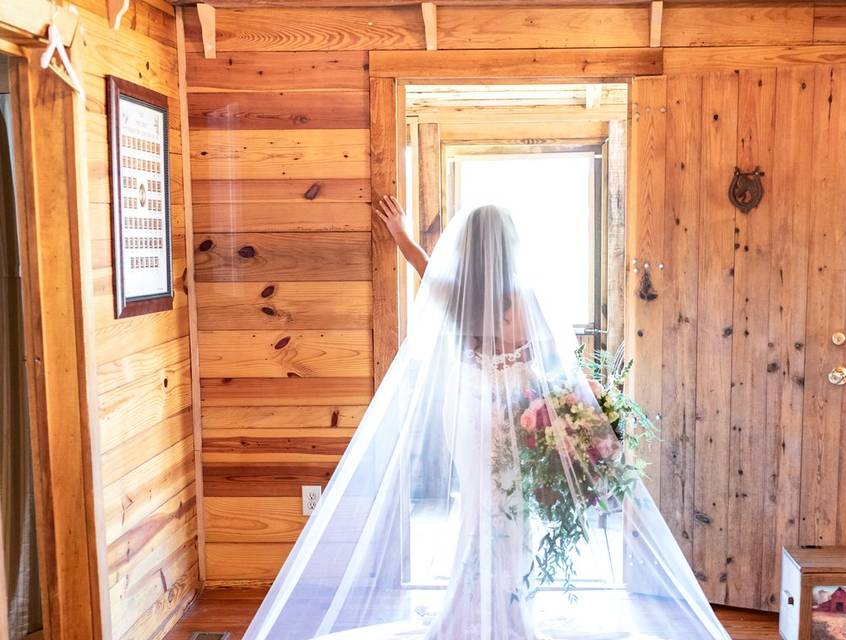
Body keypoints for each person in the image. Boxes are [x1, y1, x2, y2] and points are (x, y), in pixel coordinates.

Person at [243, 198, 731, 640]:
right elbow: (560, 361)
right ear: (511, 245)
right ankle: (507, 613)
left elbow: (424, 269)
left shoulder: (458, 292)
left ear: (469, 247)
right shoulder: (525, 295)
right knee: (512, 517)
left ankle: (473, 609)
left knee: (479, 512)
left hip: (469, 415)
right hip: (515, 418)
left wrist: (403, 237)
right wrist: (592, 402)